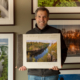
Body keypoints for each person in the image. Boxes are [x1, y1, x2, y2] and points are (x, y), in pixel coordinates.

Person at [18, 7, 68, 80]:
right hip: (33, 75)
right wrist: (22, 64)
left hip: (51, 74)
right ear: (35, 18)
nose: (41, 19)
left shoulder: (56, 32)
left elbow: (64, 50)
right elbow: (23, 53)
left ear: (48, 18)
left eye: (44, 17)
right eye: (39, 16)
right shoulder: (29, 34)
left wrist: (60, 63)